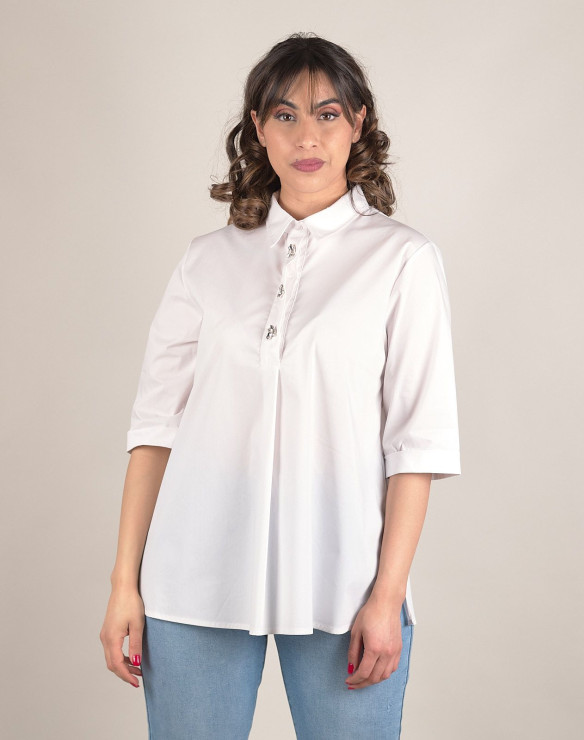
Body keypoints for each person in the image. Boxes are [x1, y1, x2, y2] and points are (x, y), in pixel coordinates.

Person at [100, 31, 461, 739]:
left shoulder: (402, 260)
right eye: (285, 115)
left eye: (327, 114)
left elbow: (415, 446)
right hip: (192, 576)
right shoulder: (206, 262)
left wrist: (387, 595)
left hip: (343, 582)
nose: (307, 136)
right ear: (257, 127)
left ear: (358, 123)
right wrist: (123, 585)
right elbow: (155, 432)